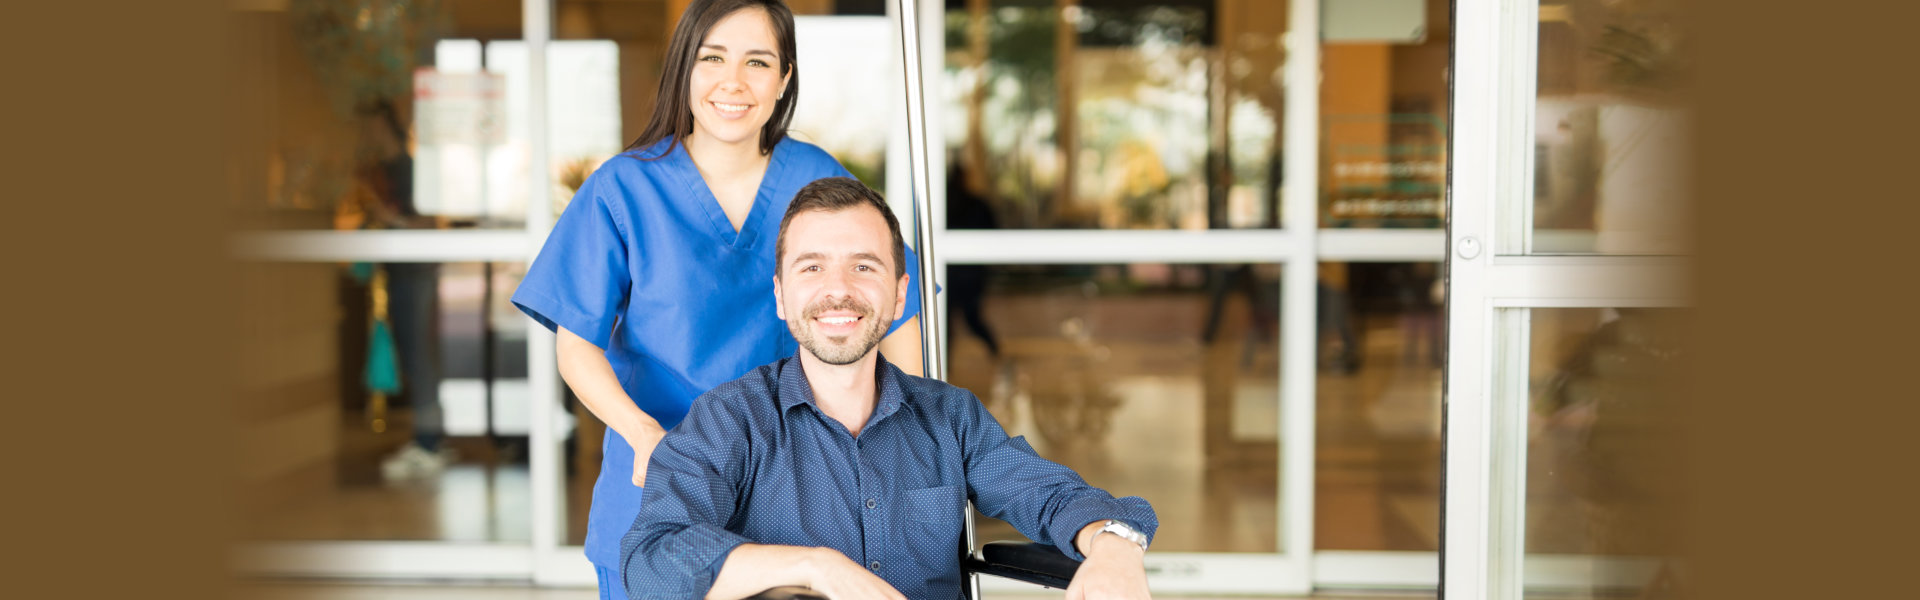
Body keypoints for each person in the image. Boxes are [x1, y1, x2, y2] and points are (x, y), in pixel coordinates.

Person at [509, 2, 926, 597]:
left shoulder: (816, 179)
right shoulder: (624, 188)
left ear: (784, 80)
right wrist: (643, 433)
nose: (734, 82)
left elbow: (896, 313)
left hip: (798, 493)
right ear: (685, 70)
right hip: (660, 482)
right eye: (713, 58)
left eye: (758, 62)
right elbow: (577, 347)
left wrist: (905, 441)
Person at [620, 178, 1156, 600]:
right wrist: (815, 566)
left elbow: (1052, 496)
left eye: (864, 266)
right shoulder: (727, 420)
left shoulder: (951, 417)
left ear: (901, 297)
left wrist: (1113, 546)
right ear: (780, 297)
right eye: (813, 267)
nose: (838, 290)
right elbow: (652, 559)